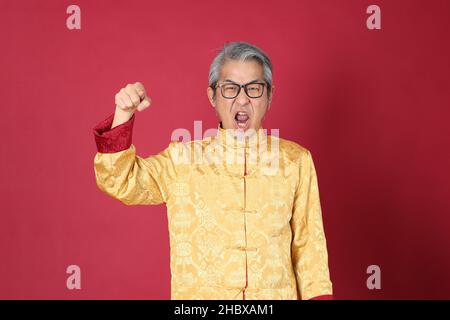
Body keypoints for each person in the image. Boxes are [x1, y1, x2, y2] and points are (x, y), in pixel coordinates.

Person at [93, 41, 333, 300]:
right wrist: (123, 114)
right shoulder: (182, 161)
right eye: (230, 89)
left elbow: (310, 250)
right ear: (213, 97)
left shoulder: (296, 161)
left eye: (254, 89)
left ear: (270, 95)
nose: (242, 99)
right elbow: (121, 181)